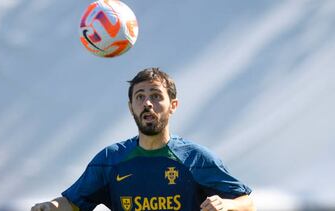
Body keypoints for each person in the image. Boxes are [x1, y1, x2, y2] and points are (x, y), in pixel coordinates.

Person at [31, 67, 255, 211]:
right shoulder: (111, 159)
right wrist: (50, 206)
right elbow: (72, 202)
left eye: (156, 96)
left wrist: (227, 204)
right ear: (131, 107)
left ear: (173, 106)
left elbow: (248, 203)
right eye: (140, 97)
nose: (147, 103)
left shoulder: (197, 159)